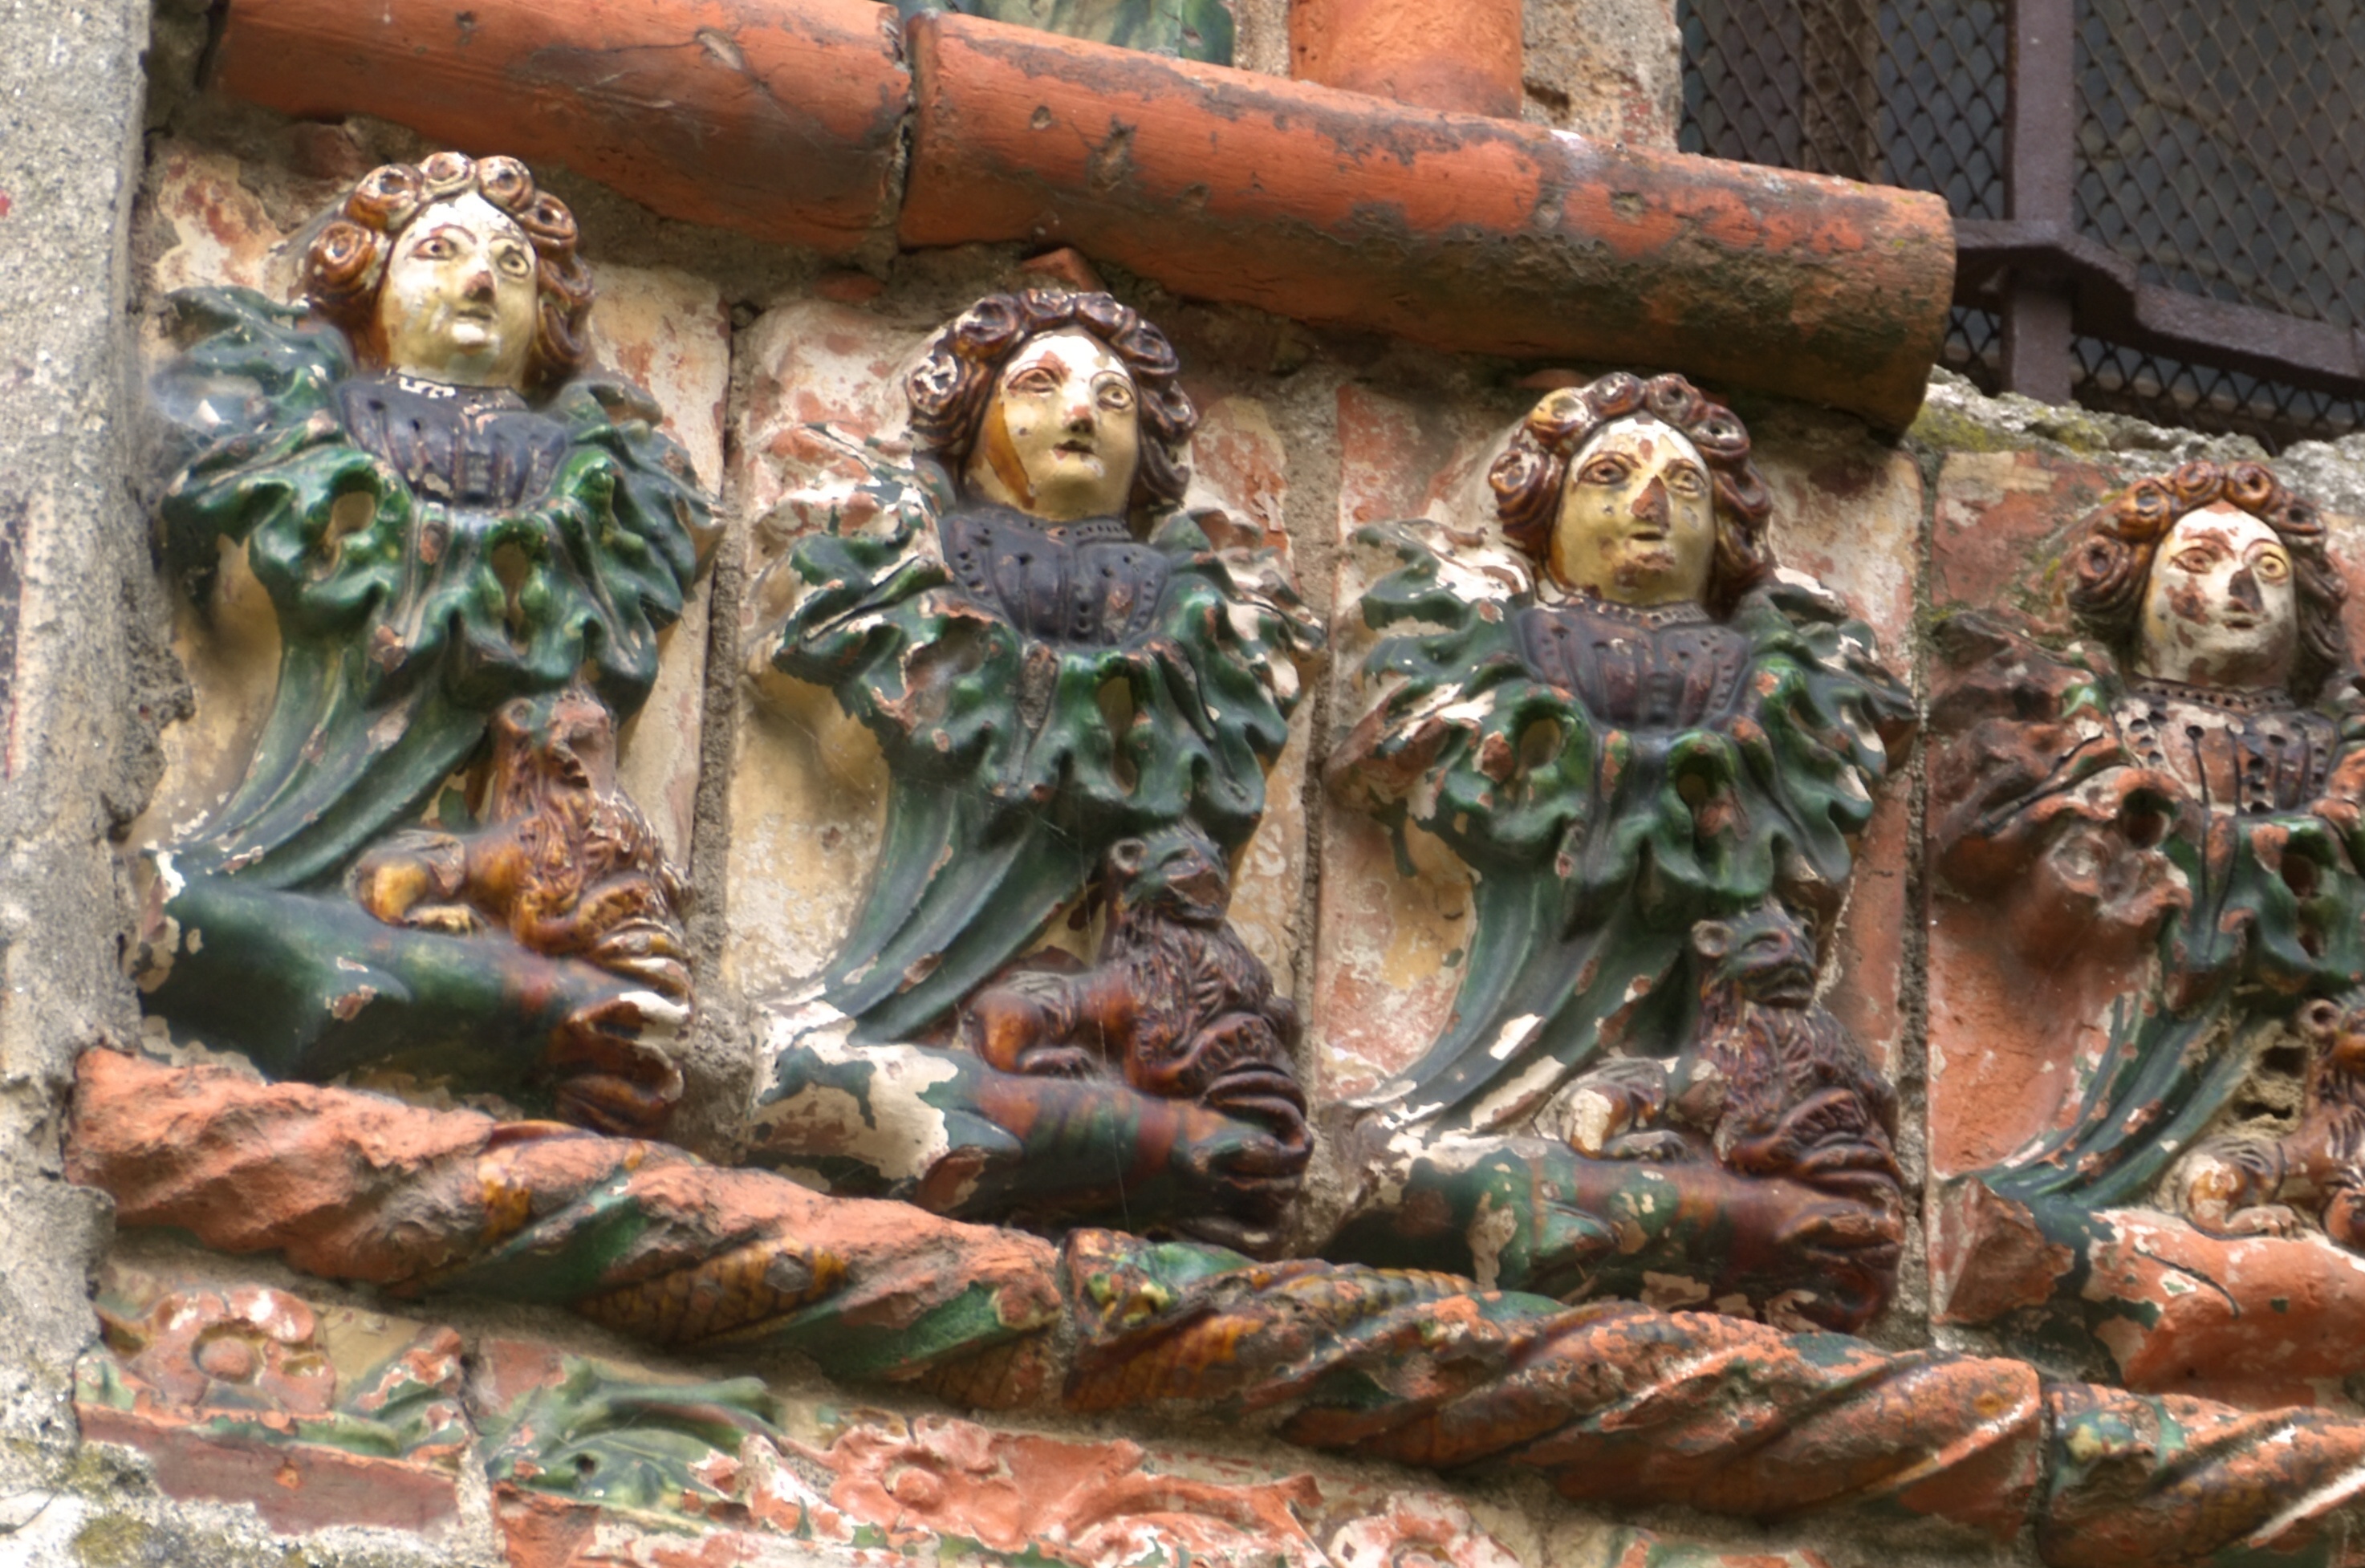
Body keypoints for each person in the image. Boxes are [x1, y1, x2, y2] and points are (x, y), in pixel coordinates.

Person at [1326, 372, 1914, 1326]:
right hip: (1509, 1013)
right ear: (1541, 512)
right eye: (1608, 477)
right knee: (1406, 1162)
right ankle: (1521, 1152)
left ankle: (1624, 1176)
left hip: (1712, 1067)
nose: (1648, 506)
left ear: (1727, 531)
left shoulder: (1789, 676)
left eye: (1685, 489)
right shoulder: (1486, 639)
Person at [146, 152, 709, 1130]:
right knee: (186, 908)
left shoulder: (599, 476)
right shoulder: (305, 422)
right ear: (366, 288)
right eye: (439, 253)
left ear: (549, 328)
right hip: (289, 815)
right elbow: (246, 586)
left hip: (509, 853)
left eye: (513, 268)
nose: (481, 279)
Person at [758, 286, 1319, 1247]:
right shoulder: (909, 550)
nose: (1079, 413)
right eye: (1041, 387)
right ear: (969, 422)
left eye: (1113, 398)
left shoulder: (1208, 608)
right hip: (920, 937)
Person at [1935, 459, 2365, 1220]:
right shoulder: (2083, 732)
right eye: (2200, 562)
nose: (2244, 592)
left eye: (2268, 570)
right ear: (2132, 593)